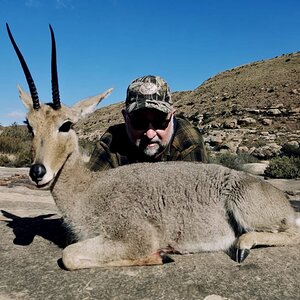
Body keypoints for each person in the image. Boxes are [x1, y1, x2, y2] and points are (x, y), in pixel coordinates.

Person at [88, 75, 208, 171]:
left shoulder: (189, 142)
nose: (150, 134)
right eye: (139, 122)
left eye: (160, 121)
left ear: (172, 116)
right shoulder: (111, 142)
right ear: (125, 118)